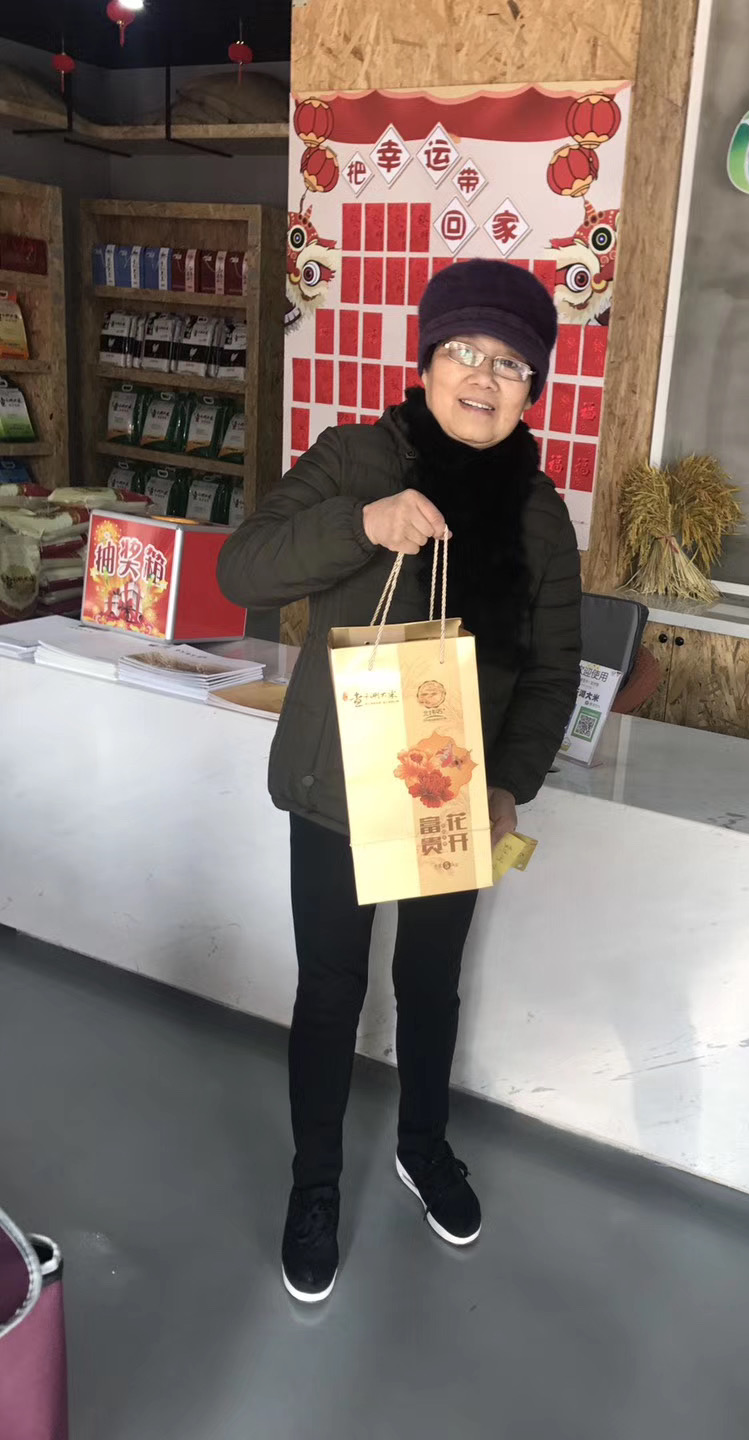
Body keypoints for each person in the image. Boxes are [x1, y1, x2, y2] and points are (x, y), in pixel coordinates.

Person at [217, 259, 582, 1302]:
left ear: (532, 388)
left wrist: (509, 784)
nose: (483, 377)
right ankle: (316, 1187)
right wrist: (364, 524)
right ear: (427, 364)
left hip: (447, 792)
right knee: (331, 990)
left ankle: (423, 1146)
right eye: (465, 352)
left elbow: (553, 669)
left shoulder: (538, 513)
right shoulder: (354, 457)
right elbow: (242, 569)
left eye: (510, 364)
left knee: (428, 982)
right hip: (339, 784)